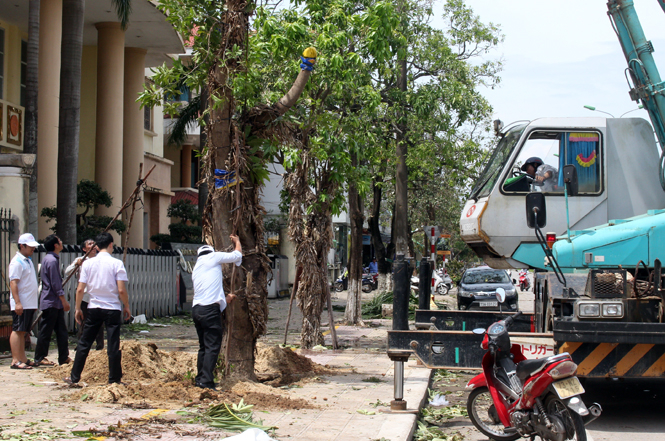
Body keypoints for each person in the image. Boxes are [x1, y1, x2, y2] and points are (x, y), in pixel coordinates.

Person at [68, 232, 130, 385]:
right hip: (112, 308)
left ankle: (74, 376)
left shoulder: (87, 264)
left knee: (84, 342)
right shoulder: (116, 264)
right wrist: (127, 306)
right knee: (113, 344)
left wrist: (77, 308)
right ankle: (114, 379)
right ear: (110, 245)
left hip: (94, 306)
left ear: (96, 246)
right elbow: (121, 290)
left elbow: (80, 289)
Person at [191, 235, 242, 390]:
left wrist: (225, 299)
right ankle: (206, 381)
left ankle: (200, 379)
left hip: (197, 310)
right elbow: (237, 255)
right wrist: (237, 242)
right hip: (209, 310)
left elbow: (209, 291)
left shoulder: (197, 268)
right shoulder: (212, 257)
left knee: (204, 346)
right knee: (213, 346)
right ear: (210, 252)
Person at [34, 235, 71, 366]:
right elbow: (55, 283)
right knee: (46, 331)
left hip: (53, 302)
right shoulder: (52, 261)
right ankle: (39, 357)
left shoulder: (49, 259)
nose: (61, 242)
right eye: (60, 241)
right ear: (55, 245)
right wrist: (64, 300)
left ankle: (64, 357)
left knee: (61, 331)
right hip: (52, 301)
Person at [8, 233, 40, 370]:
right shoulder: (17, 262)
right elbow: (13, 283)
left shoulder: (28, 260)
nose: (33, 249)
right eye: (30, 246)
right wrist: (17, 302)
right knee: (17, 330)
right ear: (22, 246)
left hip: (28, 303)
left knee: (22, 331)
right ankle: (15, 360)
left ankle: (23, 358)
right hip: (21, 303)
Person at [64, 239, 104, 351]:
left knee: (99, 322)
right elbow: (67, 272)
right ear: (84, 249)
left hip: (97, 295)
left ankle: (100, 345)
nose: (93, 246)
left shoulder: (100, 260)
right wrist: (76, 265)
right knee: (84, 321)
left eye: (94, 244)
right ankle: (82, 344)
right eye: (90, 244)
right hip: (85, 296)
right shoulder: (81, 260)